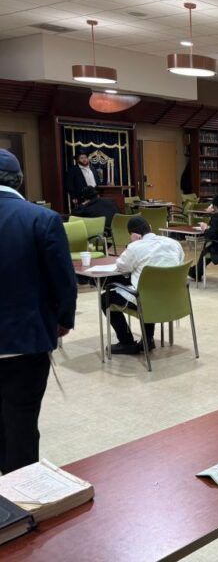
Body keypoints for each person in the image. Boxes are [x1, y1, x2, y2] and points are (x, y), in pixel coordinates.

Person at [0, 149, 77, 473]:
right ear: (19, 179)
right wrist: (63, 320)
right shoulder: (42, 219)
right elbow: (64, 280)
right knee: (21, 425)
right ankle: (19, 495)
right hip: (26, 340)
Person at [102, 217, 185, 354]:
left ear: (134, 235)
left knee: (106, 297)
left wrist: (133, 245)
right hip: (173, 300)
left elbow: (122, 267)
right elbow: (179, 264)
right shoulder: (174, 243)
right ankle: (148, 339)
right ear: (150, 227)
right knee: (150, 288)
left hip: (148, 302)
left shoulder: (135, 247)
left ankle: (126, 343)